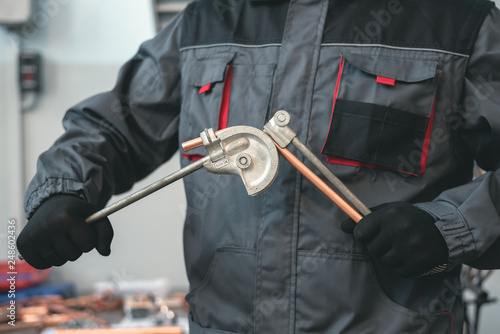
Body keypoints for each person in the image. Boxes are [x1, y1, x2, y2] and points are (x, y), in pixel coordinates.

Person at [17, 0, 500, 332]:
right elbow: (114, 125)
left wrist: (452, 226)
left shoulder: (455, 21)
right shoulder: (206, 20)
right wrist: (62, 190)